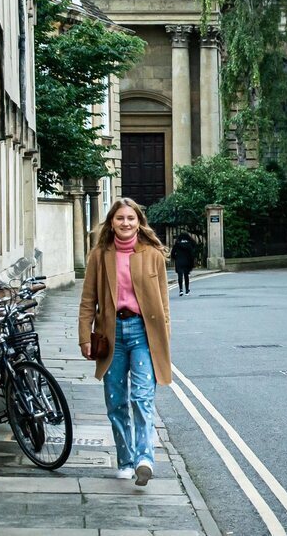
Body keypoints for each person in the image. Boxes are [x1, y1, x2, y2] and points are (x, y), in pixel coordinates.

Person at [79, 198, 171, 485]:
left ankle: (145, 459)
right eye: (120, 218)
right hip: (112, 334)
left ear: (139, 221)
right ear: (112, 222)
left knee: (142, 398)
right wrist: (85, 337)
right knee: (116, 402)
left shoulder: (152, 254)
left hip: (143, 333)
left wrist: (164, 337)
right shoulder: (100, 254)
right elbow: (87, 299)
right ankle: (126, 460)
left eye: (131, 218)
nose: (126, 223)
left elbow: (164, 302)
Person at [170, 232, 196, 296]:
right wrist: (192, 261)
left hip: (179, 261)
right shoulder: (189, 244)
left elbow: (173, 253)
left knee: (180, 276)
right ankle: (187, 290)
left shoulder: (177, 244)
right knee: (186, 276)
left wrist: (176, 258)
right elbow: (192, 254)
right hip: (187, 262)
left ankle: (181, 290)